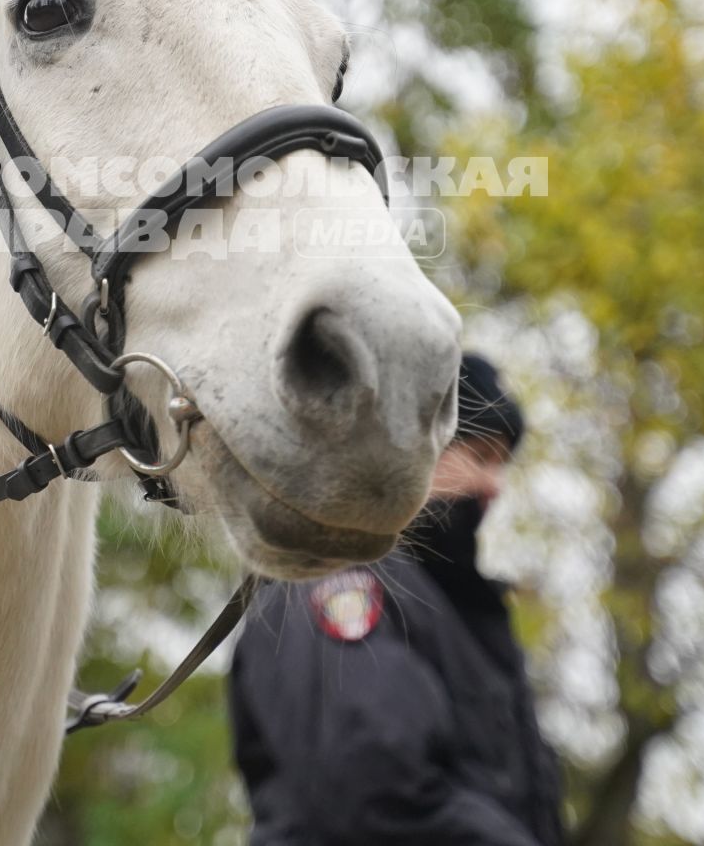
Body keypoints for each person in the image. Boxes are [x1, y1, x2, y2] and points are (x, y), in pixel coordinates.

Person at [228, 352, 566, 845]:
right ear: (411, 449)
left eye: (503, 464)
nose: (496, 486)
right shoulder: (336, 579)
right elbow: (378, 793)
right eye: (480, 456)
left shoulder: (451, 608)